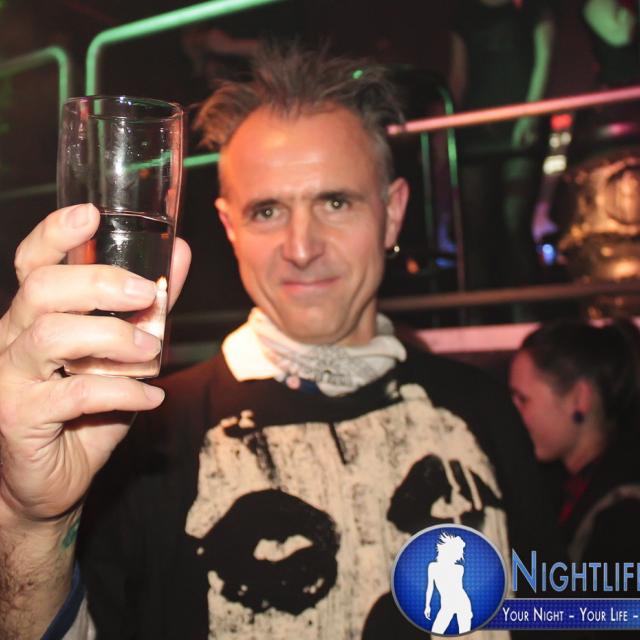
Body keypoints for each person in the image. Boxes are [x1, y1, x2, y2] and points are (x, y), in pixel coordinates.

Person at [0, 44, 556, 640]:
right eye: (267, 211)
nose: (301, 248)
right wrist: (30, 525)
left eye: (335, 202)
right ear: (229, 226)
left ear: (393, 214)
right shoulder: (139, 432)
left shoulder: (483, 410)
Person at [510, 319, 640, 589]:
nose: (514, 415)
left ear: (580, 399)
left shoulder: (623, 513)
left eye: (523, 399)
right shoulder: (563, 486)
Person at [449, 0, 555, 319]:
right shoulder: (464, 13)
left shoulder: (535, 7)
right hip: (476, 129)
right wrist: (446, 132)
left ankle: (527, 319)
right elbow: (458, 77)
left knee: (514, 223)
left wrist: (531, 115)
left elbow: (545, 60)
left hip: (522, 124)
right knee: (476, 232)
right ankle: (479, 323)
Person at [424, 532, 472, 634]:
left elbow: (458, 589)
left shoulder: (459, 569)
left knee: (465, 634)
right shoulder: (433, 567)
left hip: (462, 602)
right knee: (436, 632)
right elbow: (430, 587)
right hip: (446, 605)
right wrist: (427, 605)